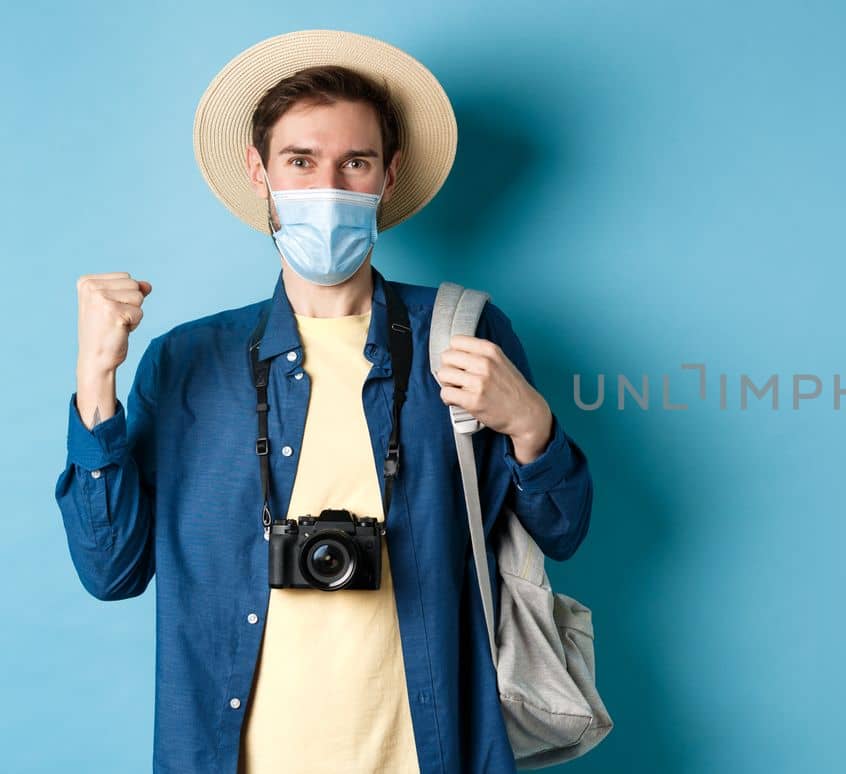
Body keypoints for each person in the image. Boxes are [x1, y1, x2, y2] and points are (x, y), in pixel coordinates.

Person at [55, 30, 593, 774]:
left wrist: (533, 427)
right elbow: (110, 570)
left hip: (426, 753)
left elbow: (561, 532)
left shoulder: (461, 333)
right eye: (301, 162)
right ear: (260, 171)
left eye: (355, 164)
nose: (326, 188)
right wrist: (95, 380)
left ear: (388, 175)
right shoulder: (186, 361)